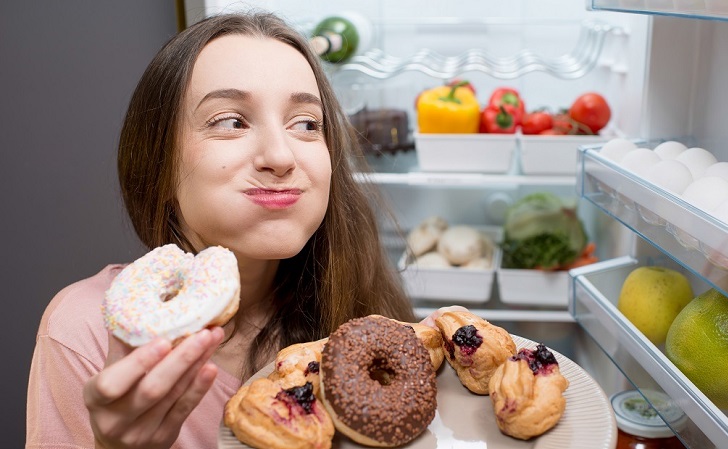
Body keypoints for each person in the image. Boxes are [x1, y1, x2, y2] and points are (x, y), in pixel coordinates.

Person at [26, 12, 457, 449]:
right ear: (159, 164)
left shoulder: (359, 299)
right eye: (231, 121)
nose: (280, 155)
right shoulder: (85, 335)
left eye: (306, 123)